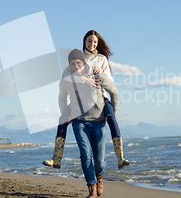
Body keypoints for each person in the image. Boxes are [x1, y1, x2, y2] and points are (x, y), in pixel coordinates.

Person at [43, 30, 129, 170]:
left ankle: (120, 158)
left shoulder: (102, 59)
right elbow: (65, 75)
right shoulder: (78, 56)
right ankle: (56, 159)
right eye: (89, 41)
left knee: (113, 118)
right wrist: (84, 79)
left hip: (100, 96)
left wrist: (101, 72)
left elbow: (109, 81)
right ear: (84, 41)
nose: (92, 44)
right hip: (79, 98)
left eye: (95, 42)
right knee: (62, 120)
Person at [58, 49, 119, 198]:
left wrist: (114, 113)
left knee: (99, 160)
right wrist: (66, 113)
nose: (76, 66)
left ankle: (99, 177)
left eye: (78, 62)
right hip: (79, 122)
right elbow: (61, 97)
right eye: (72, 64)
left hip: (98, 120)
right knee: (85, 154)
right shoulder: (68, 80)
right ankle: (91, 188)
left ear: (84, 62)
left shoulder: (97, 74)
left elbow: (114, 92)